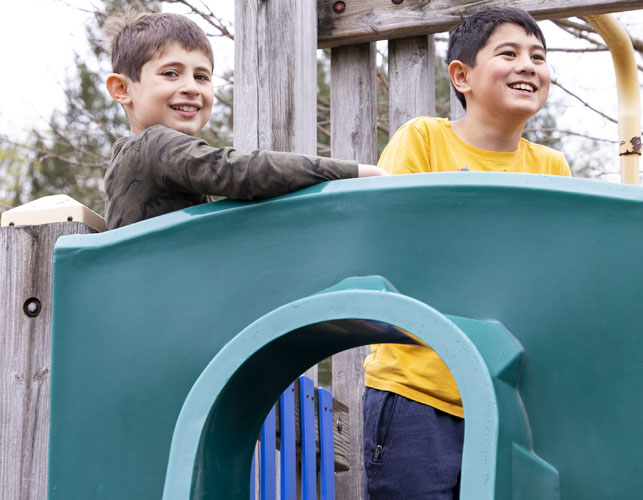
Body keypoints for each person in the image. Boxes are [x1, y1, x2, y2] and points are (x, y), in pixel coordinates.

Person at [362, 7, 571, 499]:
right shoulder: (425, 140)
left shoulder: (549, 166)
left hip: (506, 399)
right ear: (462, 76)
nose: (528, 65)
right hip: (419, 390)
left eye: (538, 57)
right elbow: (390, 243)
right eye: (509, 53)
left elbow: (556, 271)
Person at [102, 10, 385, 230]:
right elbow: (239, 171)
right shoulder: (150, 145)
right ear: (122, 89)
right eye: (170, 73)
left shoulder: (138, 159)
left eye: (201, 76)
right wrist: (355, 172)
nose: (191, 87)